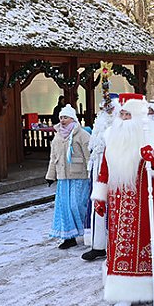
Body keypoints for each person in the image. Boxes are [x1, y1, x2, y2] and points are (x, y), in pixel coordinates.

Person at [90, 93, 154, 306]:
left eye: (128, 114)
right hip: (118, 201)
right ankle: (123, 292)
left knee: (145, 240)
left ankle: (150, 286)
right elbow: (105, 168)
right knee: (120, 243)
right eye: (122, 113)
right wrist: (99, 195)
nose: (124, 117)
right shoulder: (111, 135)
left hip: (144, 200)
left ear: (138, 114)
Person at [45, 105, 92, 249]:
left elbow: (89, 156)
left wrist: (92, 173)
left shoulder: (82, 135)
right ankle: (69, 237)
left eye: (65, 117)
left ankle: (89, 231)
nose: (63, 120)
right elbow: (53, 157)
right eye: (61, 117)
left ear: (73, 118)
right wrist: (50, 175)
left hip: (80, 176)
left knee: (77, 205)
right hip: (63, 177)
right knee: (64, 208)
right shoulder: (58, 136)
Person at [82, 97, 118, 262]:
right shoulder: (100, 123)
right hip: (98, 168)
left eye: (110, 108)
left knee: (114, 209)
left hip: (115, 170)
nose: (107, 111)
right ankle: (98, 246)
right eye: (105, 108)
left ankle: (115, 245)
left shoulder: (120, 125)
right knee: (97, 206)